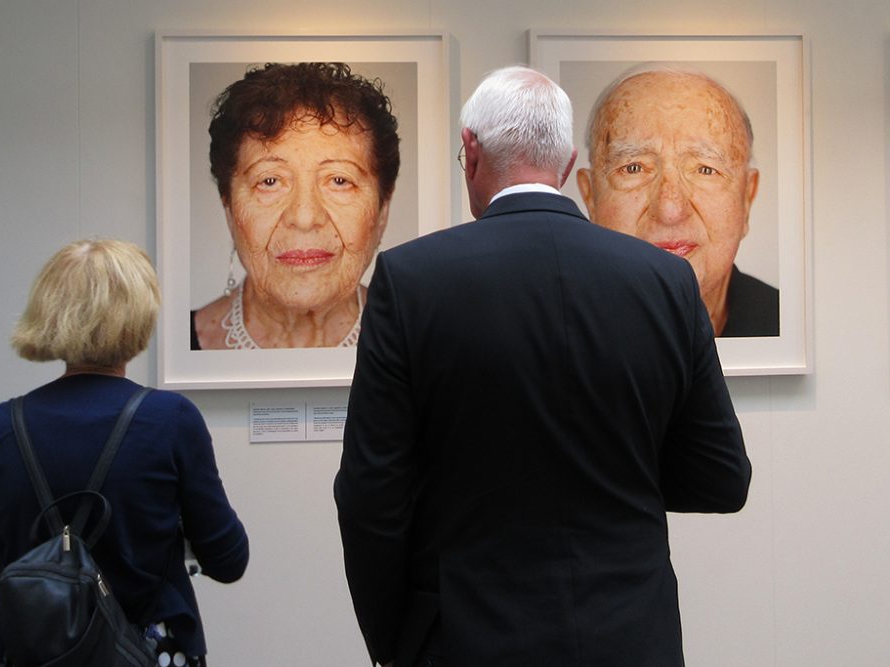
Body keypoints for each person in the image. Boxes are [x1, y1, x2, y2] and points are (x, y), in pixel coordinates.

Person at [334, 65, 751, 666]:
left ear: (471, 152)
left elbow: (370, 495)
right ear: (567, 162)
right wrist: (617, 476)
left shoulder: (413, 280)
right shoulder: (665, 281)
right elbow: (721, 478)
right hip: (630, 635)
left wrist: (392, 639)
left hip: (467, 635)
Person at [0, 239, 249, 667]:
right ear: (140, 315)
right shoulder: (171, 420)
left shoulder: (0, 425)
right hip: (146, 649)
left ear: (48, 312)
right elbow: (228, 560)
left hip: (28, 651)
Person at [190, 62, 401, 349]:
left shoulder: (421, 345)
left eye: (339, 180)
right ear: (229, 207)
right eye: (269, 181)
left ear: (382, 210)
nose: (304, 217)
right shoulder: (181, 343)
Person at [576, 63, 779, 337]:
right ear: (590, 197)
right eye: (634, 168)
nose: (670, 209)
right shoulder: (552, 330)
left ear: (746, 199)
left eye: (705, 169)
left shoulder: (780, 319)